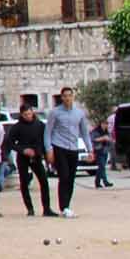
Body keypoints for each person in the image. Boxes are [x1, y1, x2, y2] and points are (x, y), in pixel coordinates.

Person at [44, 86, 92, 215]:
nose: (67, 98)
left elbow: (85, 133)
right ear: (61, 97)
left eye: (69, 95)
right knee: (64, 175)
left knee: (70, 178)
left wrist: (90, 150)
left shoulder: (79, 113)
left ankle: (67, 206)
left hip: (73, 148)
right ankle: (63, 206)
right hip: (59, 146)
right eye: (64, 96)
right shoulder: (55, 112)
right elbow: (47, 132)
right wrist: (49, 149)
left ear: (73, 97)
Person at [7, 105, 53, 216]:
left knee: (44, 181)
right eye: (25, 114)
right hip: (23, 157)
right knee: (24, 183)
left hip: (36, 157)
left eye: (29, 113)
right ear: (21, 115)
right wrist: (23, 150)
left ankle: (47, 209)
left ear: (32, 112)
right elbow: (10, 143)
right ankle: (30, 209)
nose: (28, 116)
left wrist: (45, 155)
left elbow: (45, 141)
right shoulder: (17, 127)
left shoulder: (40, 125)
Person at [92, 111, 115, 189]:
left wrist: (109, 140)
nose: (106, 125)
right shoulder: (96, 131)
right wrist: (102, 138)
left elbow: (109, 138)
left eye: (107, 124)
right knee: (101, 166)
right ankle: (105, 181)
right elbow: (93, 139)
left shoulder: (106, 131)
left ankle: (97, 182)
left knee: (101, 167)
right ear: (101, 124)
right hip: (98, 150)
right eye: (105, 124)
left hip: (105, 150)